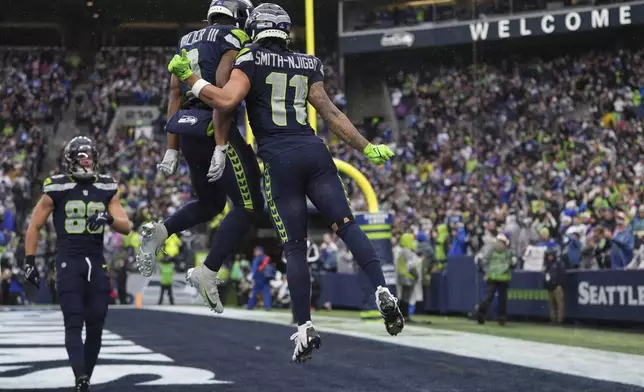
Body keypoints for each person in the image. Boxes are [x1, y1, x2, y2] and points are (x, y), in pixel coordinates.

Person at [167, 3, 404, 363]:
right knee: (347, 225)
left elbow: (226, 101)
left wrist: (191, 79)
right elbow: (332, 115)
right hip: (316, 154)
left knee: (295, 247)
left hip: (280, 162)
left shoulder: (249, 58)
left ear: (257, 28)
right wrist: (367, 147)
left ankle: (305, 327)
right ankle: (382, 288)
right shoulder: (307, 63)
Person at [136, 0, 264, 316]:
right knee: (249, 205)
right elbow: (222, 94)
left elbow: (176, 95)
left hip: (189, 130)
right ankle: (206, 272)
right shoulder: (234, 38)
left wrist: (171, 147)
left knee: (211, 204)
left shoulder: (188, 40)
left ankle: (162, 231)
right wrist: (221, 145)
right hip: (213, 127)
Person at [23, 136, 132, 392]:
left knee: (96, 322)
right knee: (73, 320)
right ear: (70, 161)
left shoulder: (106, 185)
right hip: (68, 260)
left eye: (89, 157)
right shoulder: (57, 186)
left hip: (95, 260)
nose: (87, 162)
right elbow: (34, 226)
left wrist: (107, 217)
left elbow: (126, 226)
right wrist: (29, 261)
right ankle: (81, 377)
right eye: (82, 158)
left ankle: (85, 379)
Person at [474, 233, 515, 326]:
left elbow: (512, 264)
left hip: (501, 277)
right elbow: (484, 262)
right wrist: (485, 272)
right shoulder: (493, 251)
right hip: (495, 277)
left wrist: (485, 272)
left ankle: (498, 318)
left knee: (500, 299)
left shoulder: (507, 252)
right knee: (492, 298)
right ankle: (484, 315)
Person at [543, 248, 566, 324]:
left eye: (551, 255)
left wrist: (560, 284)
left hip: (557, 286)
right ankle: (553, 319)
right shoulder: (547, 265)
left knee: (559, 303)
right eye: (548, 255)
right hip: (550, 287)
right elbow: (545, 276)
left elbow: (562, 275)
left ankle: (560, 320)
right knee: (551, 304)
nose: (550, 257)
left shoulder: (558, 263)